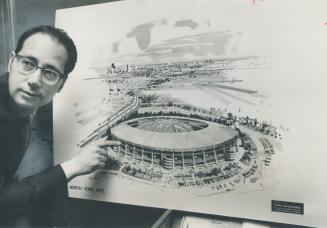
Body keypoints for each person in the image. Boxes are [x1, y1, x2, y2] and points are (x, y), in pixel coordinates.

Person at [0, 25, 118, 226]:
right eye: (28, 63)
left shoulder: (45, 114)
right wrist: (75, 166)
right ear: (12, 62)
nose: (35, 80)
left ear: (61, 84)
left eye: (50, 73)